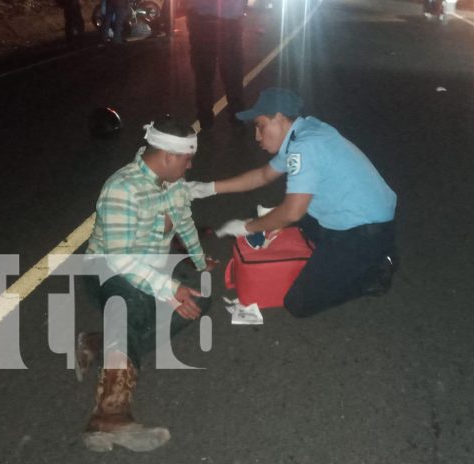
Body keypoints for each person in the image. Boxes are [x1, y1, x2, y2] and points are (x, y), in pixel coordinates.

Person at [186, 88, 398, 318]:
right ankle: (342, 257)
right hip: (350, 216)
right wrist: (208, 188)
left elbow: (293, 211)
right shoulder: (304, 132)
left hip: (362, 232)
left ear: (278, 118)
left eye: (260, 125)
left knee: (299, 303)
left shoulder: (305, 147)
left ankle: (376, 270)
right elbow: (264, 175)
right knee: (278, 218)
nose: (257, 136)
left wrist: (249, 226)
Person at [77, 116, 214, 452]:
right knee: (132, 301)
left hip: (147, 272)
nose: (190, 164)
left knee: (199, 301)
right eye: (187, 159)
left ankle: (98, 341)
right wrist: (168, 289)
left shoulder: (174, 184)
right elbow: (120, 260)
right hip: (106, 272)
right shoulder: (122, 189)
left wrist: (199, 261)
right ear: (168, 156)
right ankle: (109, 412)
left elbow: (186, 225)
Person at [186, 0, 246, 130]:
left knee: (203, 75)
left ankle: (205, 118)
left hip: (202, 21)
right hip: (229, 21)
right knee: (233, 75)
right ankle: (236, 116)